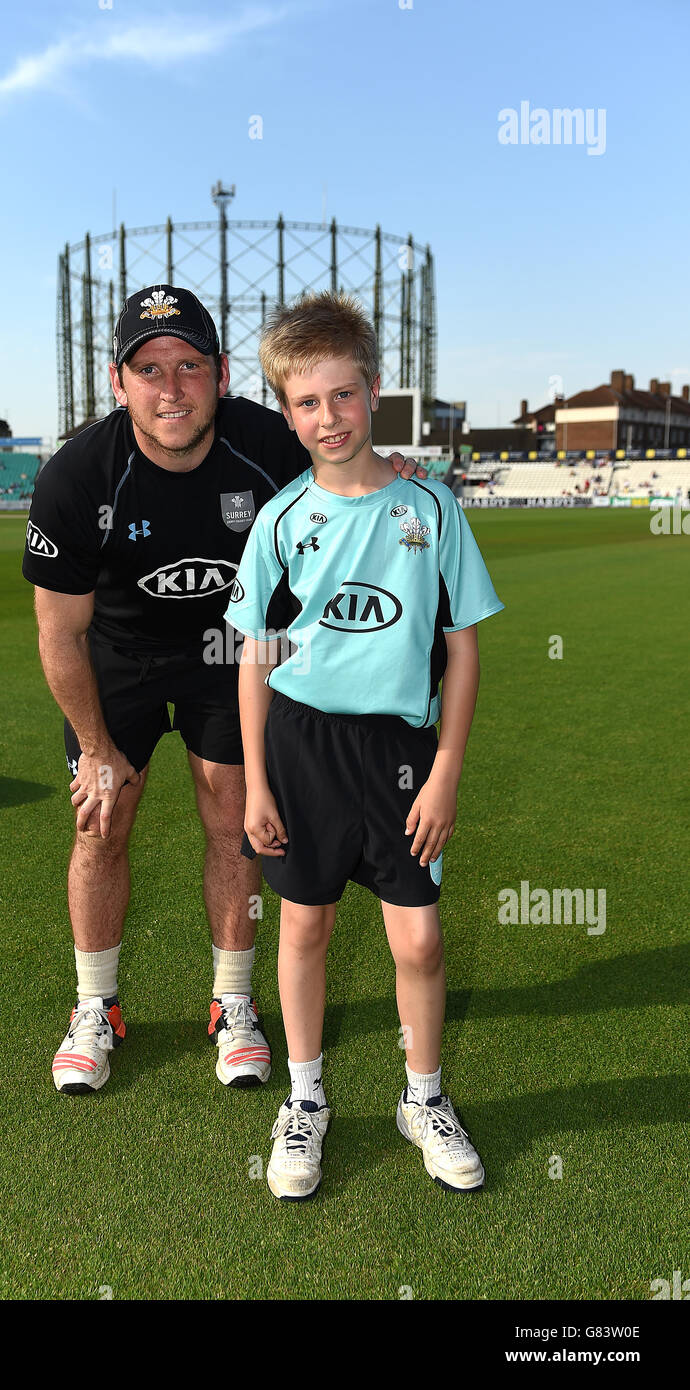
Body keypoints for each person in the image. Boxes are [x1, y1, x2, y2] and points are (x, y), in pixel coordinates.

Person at [22, 283, 427, 1098]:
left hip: (230, 653)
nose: (171, 389)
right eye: (149, 370)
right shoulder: (75, 476)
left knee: (233, 814)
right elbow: (59, 632)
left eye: (189, 367)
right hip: (119, 660)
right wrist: (96, 751)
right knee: (103, 820)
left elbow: (342, 461)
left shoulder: (265, 442)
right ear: (117, 381)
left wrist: (395, 473)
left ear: (221, 372)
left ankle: (234, 1002)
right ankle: (94, 1008)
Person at [224, 291, 504, 1200]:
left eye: (342, 396)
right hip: (302, 746)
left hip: (400, 751)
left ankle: (421, 1097)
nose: (328, 417)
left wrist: (449, 770)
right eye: (306, 402)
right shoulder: (279, 521)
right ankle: (305, 1098)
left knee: (419, 941)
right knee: (303, 925)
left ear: (374, 390)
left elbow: (461, 650)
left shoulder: (432, 509)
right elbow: (255, 661)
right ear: (286, 411)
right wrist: (258, 785)